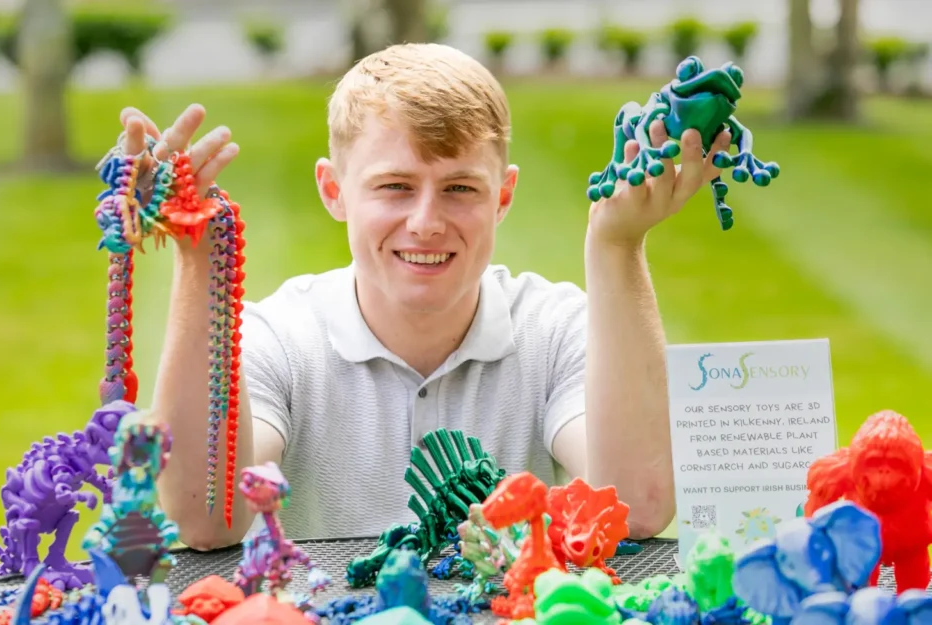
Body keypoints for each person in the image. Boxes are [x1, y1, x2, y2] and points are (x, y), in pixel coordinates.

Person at [123, 43, 732, 551]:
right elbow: (206, 519)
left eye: (460, 188)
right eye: (394, 186)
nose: (425, 222)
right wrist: (201, 258)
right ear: (334, 191)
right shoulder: (281, 336)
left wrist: (616, 248)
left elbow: (638, 506)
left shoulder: (555, 327)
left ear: (503, 196)